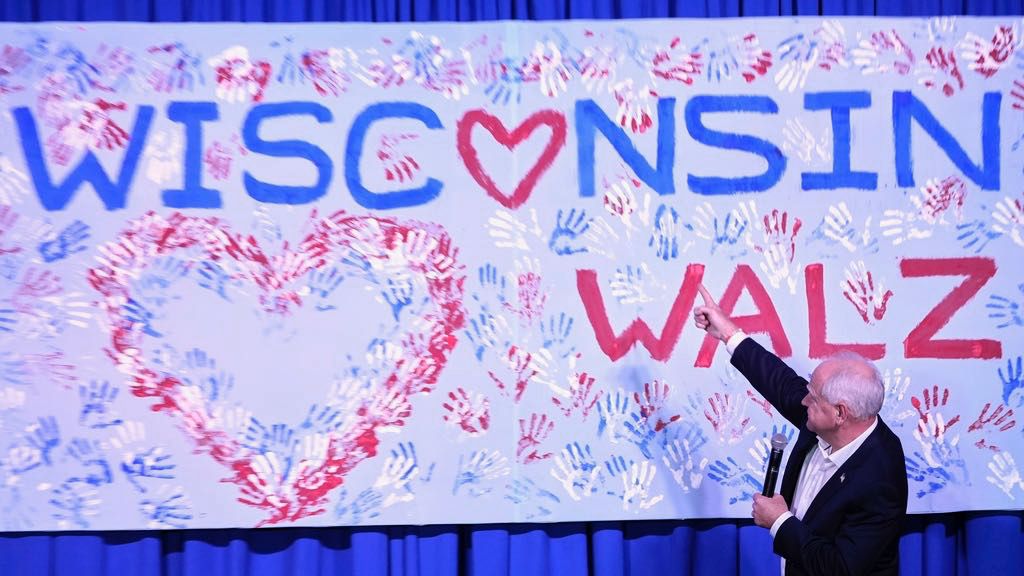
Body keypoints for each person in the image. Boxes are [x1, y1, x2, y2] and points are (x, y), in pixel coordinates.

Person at [693, 283, 907, 576]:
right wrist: (728, 333)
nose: (803, 400)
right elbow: (779, 381)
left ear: (840, 413)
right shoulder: (823, 419)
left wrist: (780, 521)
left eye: (813, 397)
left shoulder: (880, 478)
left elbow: (840, 569)